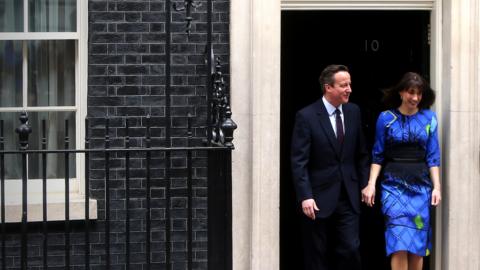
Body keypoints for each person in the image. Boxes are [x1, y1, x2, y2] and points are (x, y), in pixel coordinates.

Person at [291, 64, 369, 270]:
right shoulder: (306, 116)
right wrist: (305, 195)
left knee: (351, 248)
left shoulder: (354, 112)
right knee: (316, 253)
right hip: (317, 197)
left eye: (350, 84)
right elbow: (299, 161)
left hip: (348, 194)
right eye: (344, 85)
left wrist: (365, 184)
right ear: (328, 88)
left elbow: (361, 153)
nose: (349, 89)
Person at [361, 72, 441, 270]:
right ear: (401, 93)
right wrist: (371, 184)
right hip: (393, 188)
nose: (415, 98)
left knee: (417, 245)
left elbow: (433, 157)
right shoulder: (385, 118)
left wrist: (437, 187)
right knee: (398, 242)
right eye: (411, 92)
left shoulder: (430, 118)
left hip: (421, 188)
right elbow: (377, 155)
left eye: (419, 93)